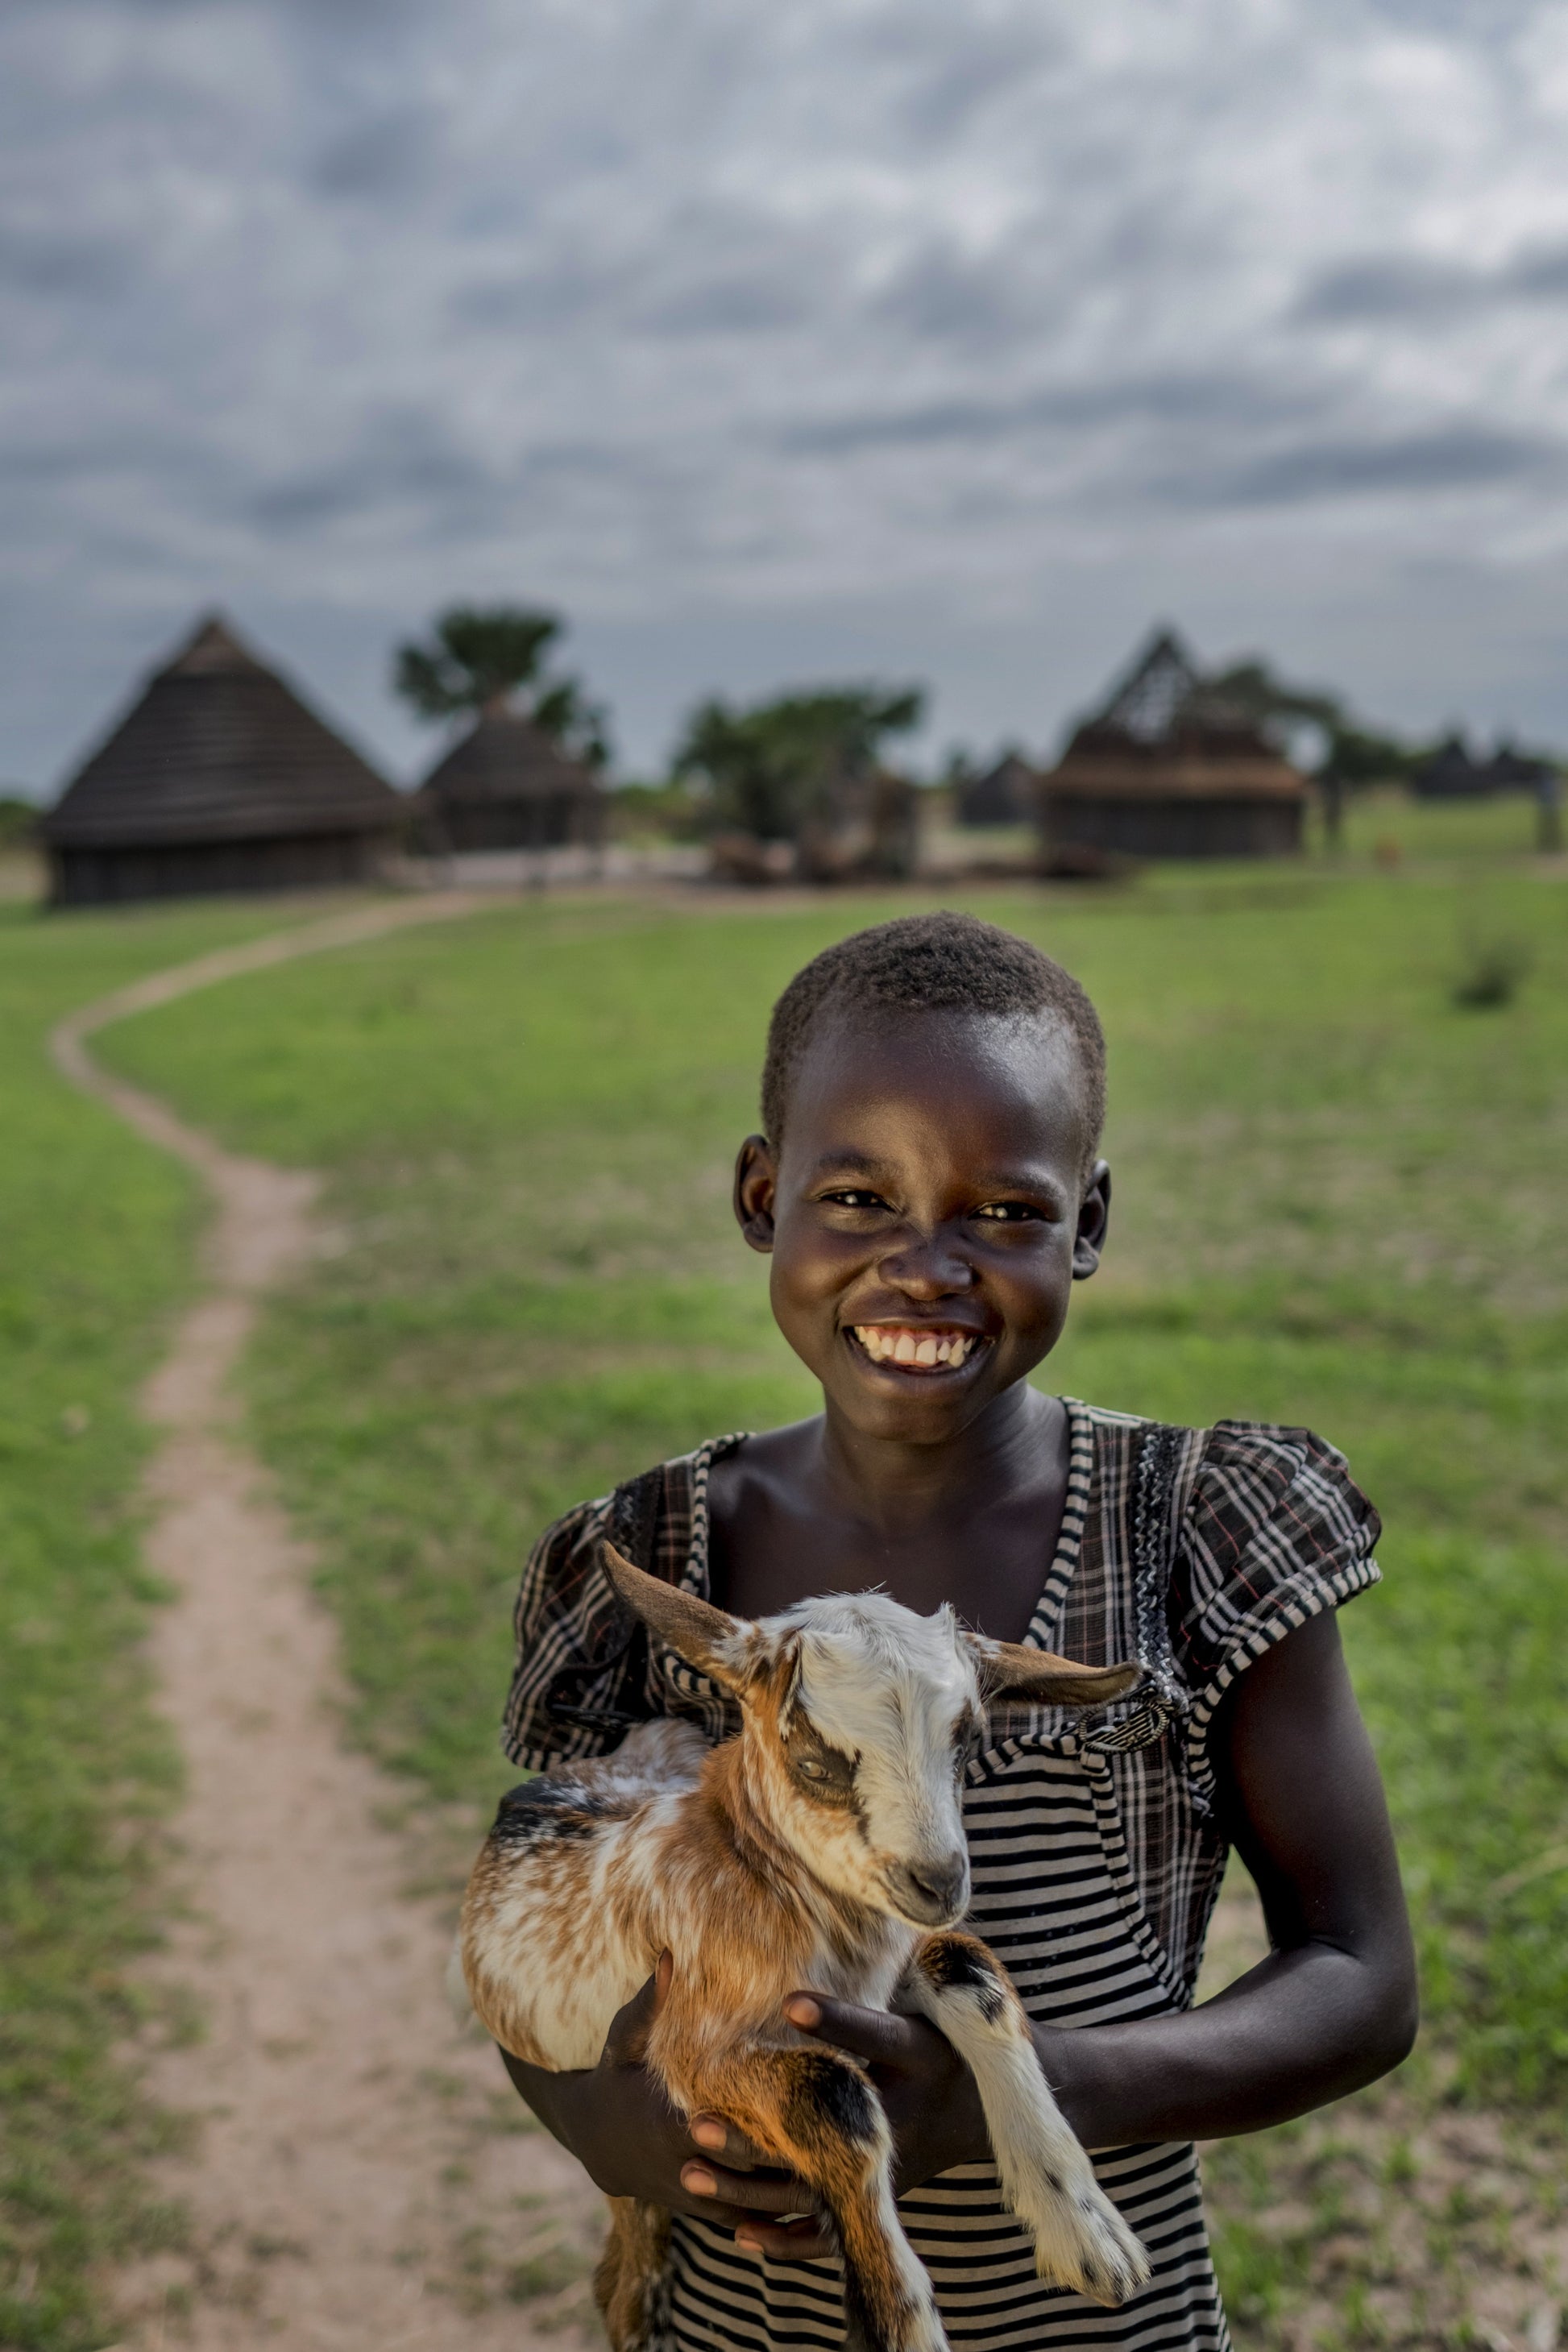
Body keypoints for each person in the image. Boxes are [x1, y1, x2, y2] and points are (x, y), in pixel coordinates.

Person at [496, 911, 1417, 2350]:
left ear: (1087, 1225)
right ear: (760, 1196)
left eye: (1002, 1210)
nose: (925, 1266)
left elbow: (1358, 1975)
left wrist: (1004, 2095)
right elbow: (528, 1935)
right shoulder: (648, 1567)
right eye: (858, 1198)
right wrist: (613, 2126)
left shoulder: (1191, 1530)